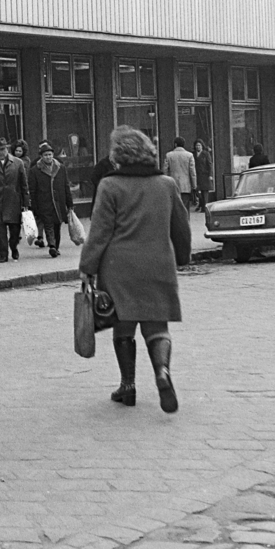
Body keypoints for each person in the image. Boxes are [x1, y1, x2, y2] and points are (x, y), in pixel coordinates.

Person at [78, 125, 191, 413]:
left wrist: (87, 266)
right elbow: (181, 226)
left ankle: (127, 386)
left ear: (118, 156)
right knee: (157, 326)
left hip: (119, 267)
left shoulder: (110, 185)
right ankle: (162, 372)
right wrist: (183, 257)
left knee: (123, 325)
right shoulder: (166, 184)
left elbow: (100, 232)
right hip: (158, 264)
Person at [0, 141, 28, 262]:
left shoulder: (18, 163)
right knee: (0, 229)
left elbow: (24, 185)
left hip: (14, 201)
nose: (0, 153)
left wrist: (26, 203)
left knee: (15, 230)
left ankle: (13, 246)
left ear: (7, 149)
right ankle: (3, 254)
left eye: (2, 150)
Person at [28, 141, 73, 258]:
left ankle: (56, 247)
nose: (48, 157)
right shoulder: (35, 171)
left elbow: (66, 186)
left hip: (59, 202)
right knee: (48, 224)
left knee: (57, 225)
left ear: (53, 155)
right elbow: (32, 190)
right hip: (44, 202)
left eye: (50, 154)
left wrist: (70, 204)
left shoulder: (60, 168)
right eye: (45, 155)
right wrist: (33, 205)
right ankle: (52, 246)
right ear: (41, 157)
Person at [163, 137, 198, 207]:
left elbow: (165, 170)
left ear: (175, 144)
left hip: (172, 185)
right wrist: (194, 186)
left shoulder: (169, 155)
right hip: (185, 186)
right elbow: (192, 172)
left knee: (174, 207)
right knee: (185, 207)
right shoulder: (189, 155)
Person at [193, 140, 214, 211]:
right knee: (197, 192)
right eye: (196, 145)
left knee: (205, 192)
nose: (198, 147)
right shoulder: (193, 154)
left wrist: (210, 175)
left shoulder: (206, 154)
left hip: (205, 175)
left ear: (202, 146)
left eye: (199, 145)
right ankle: (201, 205)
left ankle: (205, 207)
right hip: (196, 176)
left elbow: (210, 165)